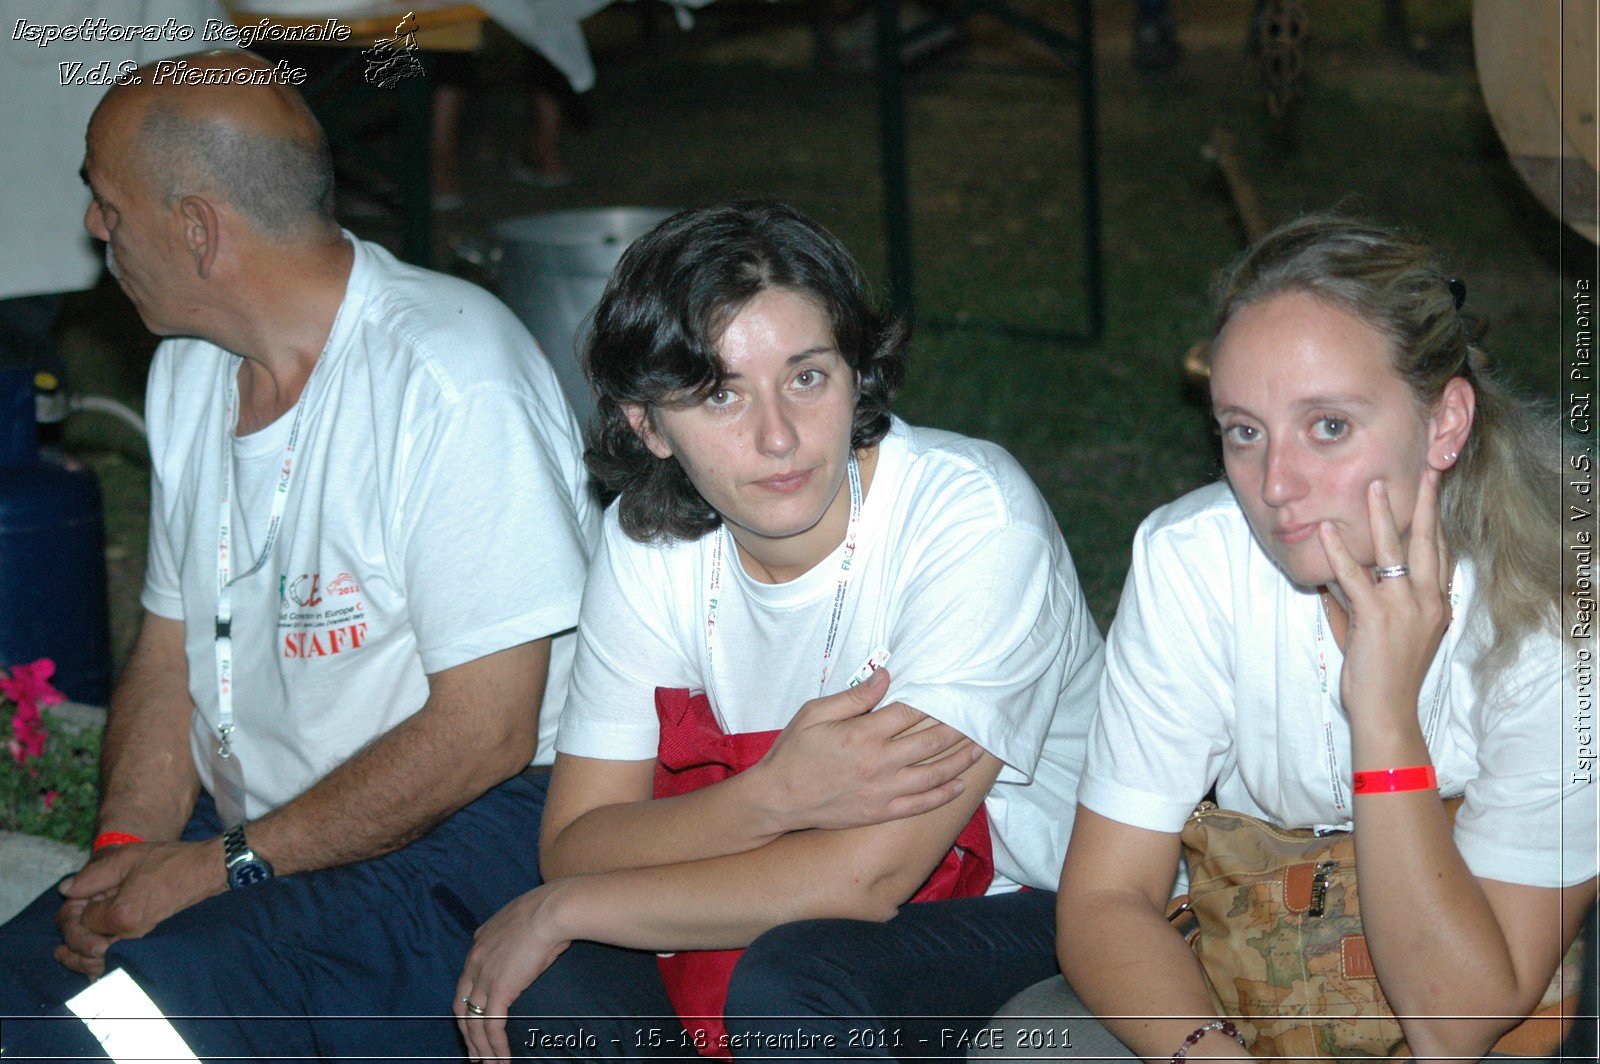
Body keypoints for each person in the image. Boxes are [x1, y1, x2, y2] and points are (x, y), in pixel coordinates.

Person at [0, 49, 598, 1060]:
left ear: (197, 229)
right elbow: (165, 649)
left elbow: (487, 733)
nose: (97, 229)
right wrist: (125, 854)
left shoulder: (449, 377)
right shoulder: (191, 366)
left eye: (108, 202)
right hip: (272, 834)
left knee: (125, 1035)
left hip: (470, 829)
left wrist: (218, 867)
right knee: (28, 987)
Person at [452, 200, 1107, 1061]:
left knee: (797, 986)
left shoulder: (972, 520)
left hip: (1024, 903)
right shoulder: (651, 543)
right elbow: (578, 841)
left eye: (807, 377)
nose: (778, 436)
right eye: (719, 393)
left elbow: (869, 876)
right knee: (558, 993)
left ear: (859, 375)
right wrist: (775, 796)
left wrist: (561, 908)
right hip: (789, 889)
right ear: (646, 424)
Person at [999, 215, 1597, 1062]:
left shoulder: (1556, 621)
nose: (1274, 485)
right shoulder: (1194, 563)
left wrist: (1385, 713)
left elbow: (1456, 1022)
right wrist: (1211, 1055)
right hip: (1250, 985)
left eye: (1328, 427)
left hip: (1469, 1005)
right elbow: (1105, 898)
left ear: (1445, 424)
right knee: (1031, 1044)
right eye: (1244, 431)